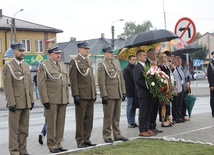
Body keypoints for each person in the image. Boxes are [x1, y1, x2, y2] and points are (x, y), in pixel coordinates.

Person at [3, 42, 34, 155]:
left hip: (26, 102)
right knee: (14, 130)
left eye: (23, 51)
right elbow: (8, 86)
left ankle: (23, 150)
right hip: (15, 103)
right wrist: (11, 102)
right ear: (14, 52)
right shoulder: (8, 66)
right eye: (20, 51)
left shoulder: (25, 65)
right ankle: (14, 151)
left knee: (24, 130)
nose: (22, 53)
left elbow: (29, 84)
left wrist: (32, 100)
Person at [37, 45, 69, 153]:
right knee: (51, 124)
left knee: (60, 123)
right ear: (50, 55)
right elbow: (41, 84)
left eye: (59, 53)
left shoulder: (62, 65)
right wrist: (45, 100)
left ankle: (58, 144)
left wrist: (67, 98)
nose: (58, 55)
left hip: (62, 98)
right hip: (51, 99)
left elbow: (65, 83)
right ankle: (52, 145)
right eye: (56, 53)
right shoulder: (44, 66)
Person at [97, 44, 129, 143]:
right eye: (110, 52)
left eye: (112, 52)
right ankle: (107, 136)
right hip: (109, 95)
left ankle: (117, 134)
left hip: (117, 93)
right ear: (105, 54)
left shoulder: (116, 63)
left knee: (116, 116)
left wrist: (123, 92)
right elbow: (101, 81)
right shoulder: (102, 65)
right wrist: (104, 95)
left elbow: (121, 79)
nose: (112, 54)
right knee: (108, 116)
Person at [69, 41, 97, 148]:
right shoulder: (75, 61)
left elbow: (91, 78)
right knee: (80, 119)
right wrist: (75, 94)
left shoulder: (88, 61)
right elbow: (73, 79)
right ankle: (80, 140)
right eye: (85, 49)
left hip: (89, 94)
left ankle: (87, 138)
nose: (87, 50)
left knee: (89, 118)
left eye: (88, 49)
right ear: (79, 49)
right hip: (81, 95)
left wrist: (94, 93)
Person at [133, 50, 156, 137]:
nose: (145, 57)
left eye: (145, 55)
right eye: (143, 55)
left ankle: (147, 128)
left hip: (149, 92)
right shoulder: (137, 67)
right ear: (138, 57)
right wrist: (148, 84)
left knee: (148, 111)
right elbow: (137, 80)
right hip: (143, 92)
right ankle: (142, 129)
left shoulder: (147, 66)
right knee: (143, 112)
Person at [146, 48, 163, 134]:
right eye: (154, 54)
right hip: (150, 91)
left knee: (156, 108)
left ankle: (154, 126)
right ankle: (149, 127)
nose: (156, 55)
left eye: (156, 54)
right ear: (149, 55)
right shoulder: (147, 64)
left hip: (157, 90)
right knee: (150, 109)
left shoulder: (157, 64)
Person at [123, 55, 139, 128]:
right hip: (130, 91)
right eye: (133, 59)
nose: (134, 61)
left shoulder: (135, 68)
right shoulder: (126, 69)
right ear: (129, 60)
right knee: (130, 107)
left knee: (134, 107)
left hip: (136, 91)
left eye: (135, 59)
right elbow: (128, 81)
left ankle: (133, 121)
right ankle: (130, 122)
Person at [157, 53, 173, 127]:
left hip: (168, 87)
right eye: (163, 57)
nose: (165, 58)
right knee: (163, 104)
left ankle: (167, 117)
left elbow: (169, 75)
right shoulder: (160, 67)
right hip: (163, 87)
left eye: (166, 57)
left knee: (167, 104)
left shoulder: (166, 66)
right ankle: (163, 120)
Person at [207, 51, 214, 117]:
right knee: (213, 99)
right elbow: (210, 75)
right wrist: (211, 85)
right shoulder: (211, 64)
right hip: (213, 85)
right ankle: (213, 112)